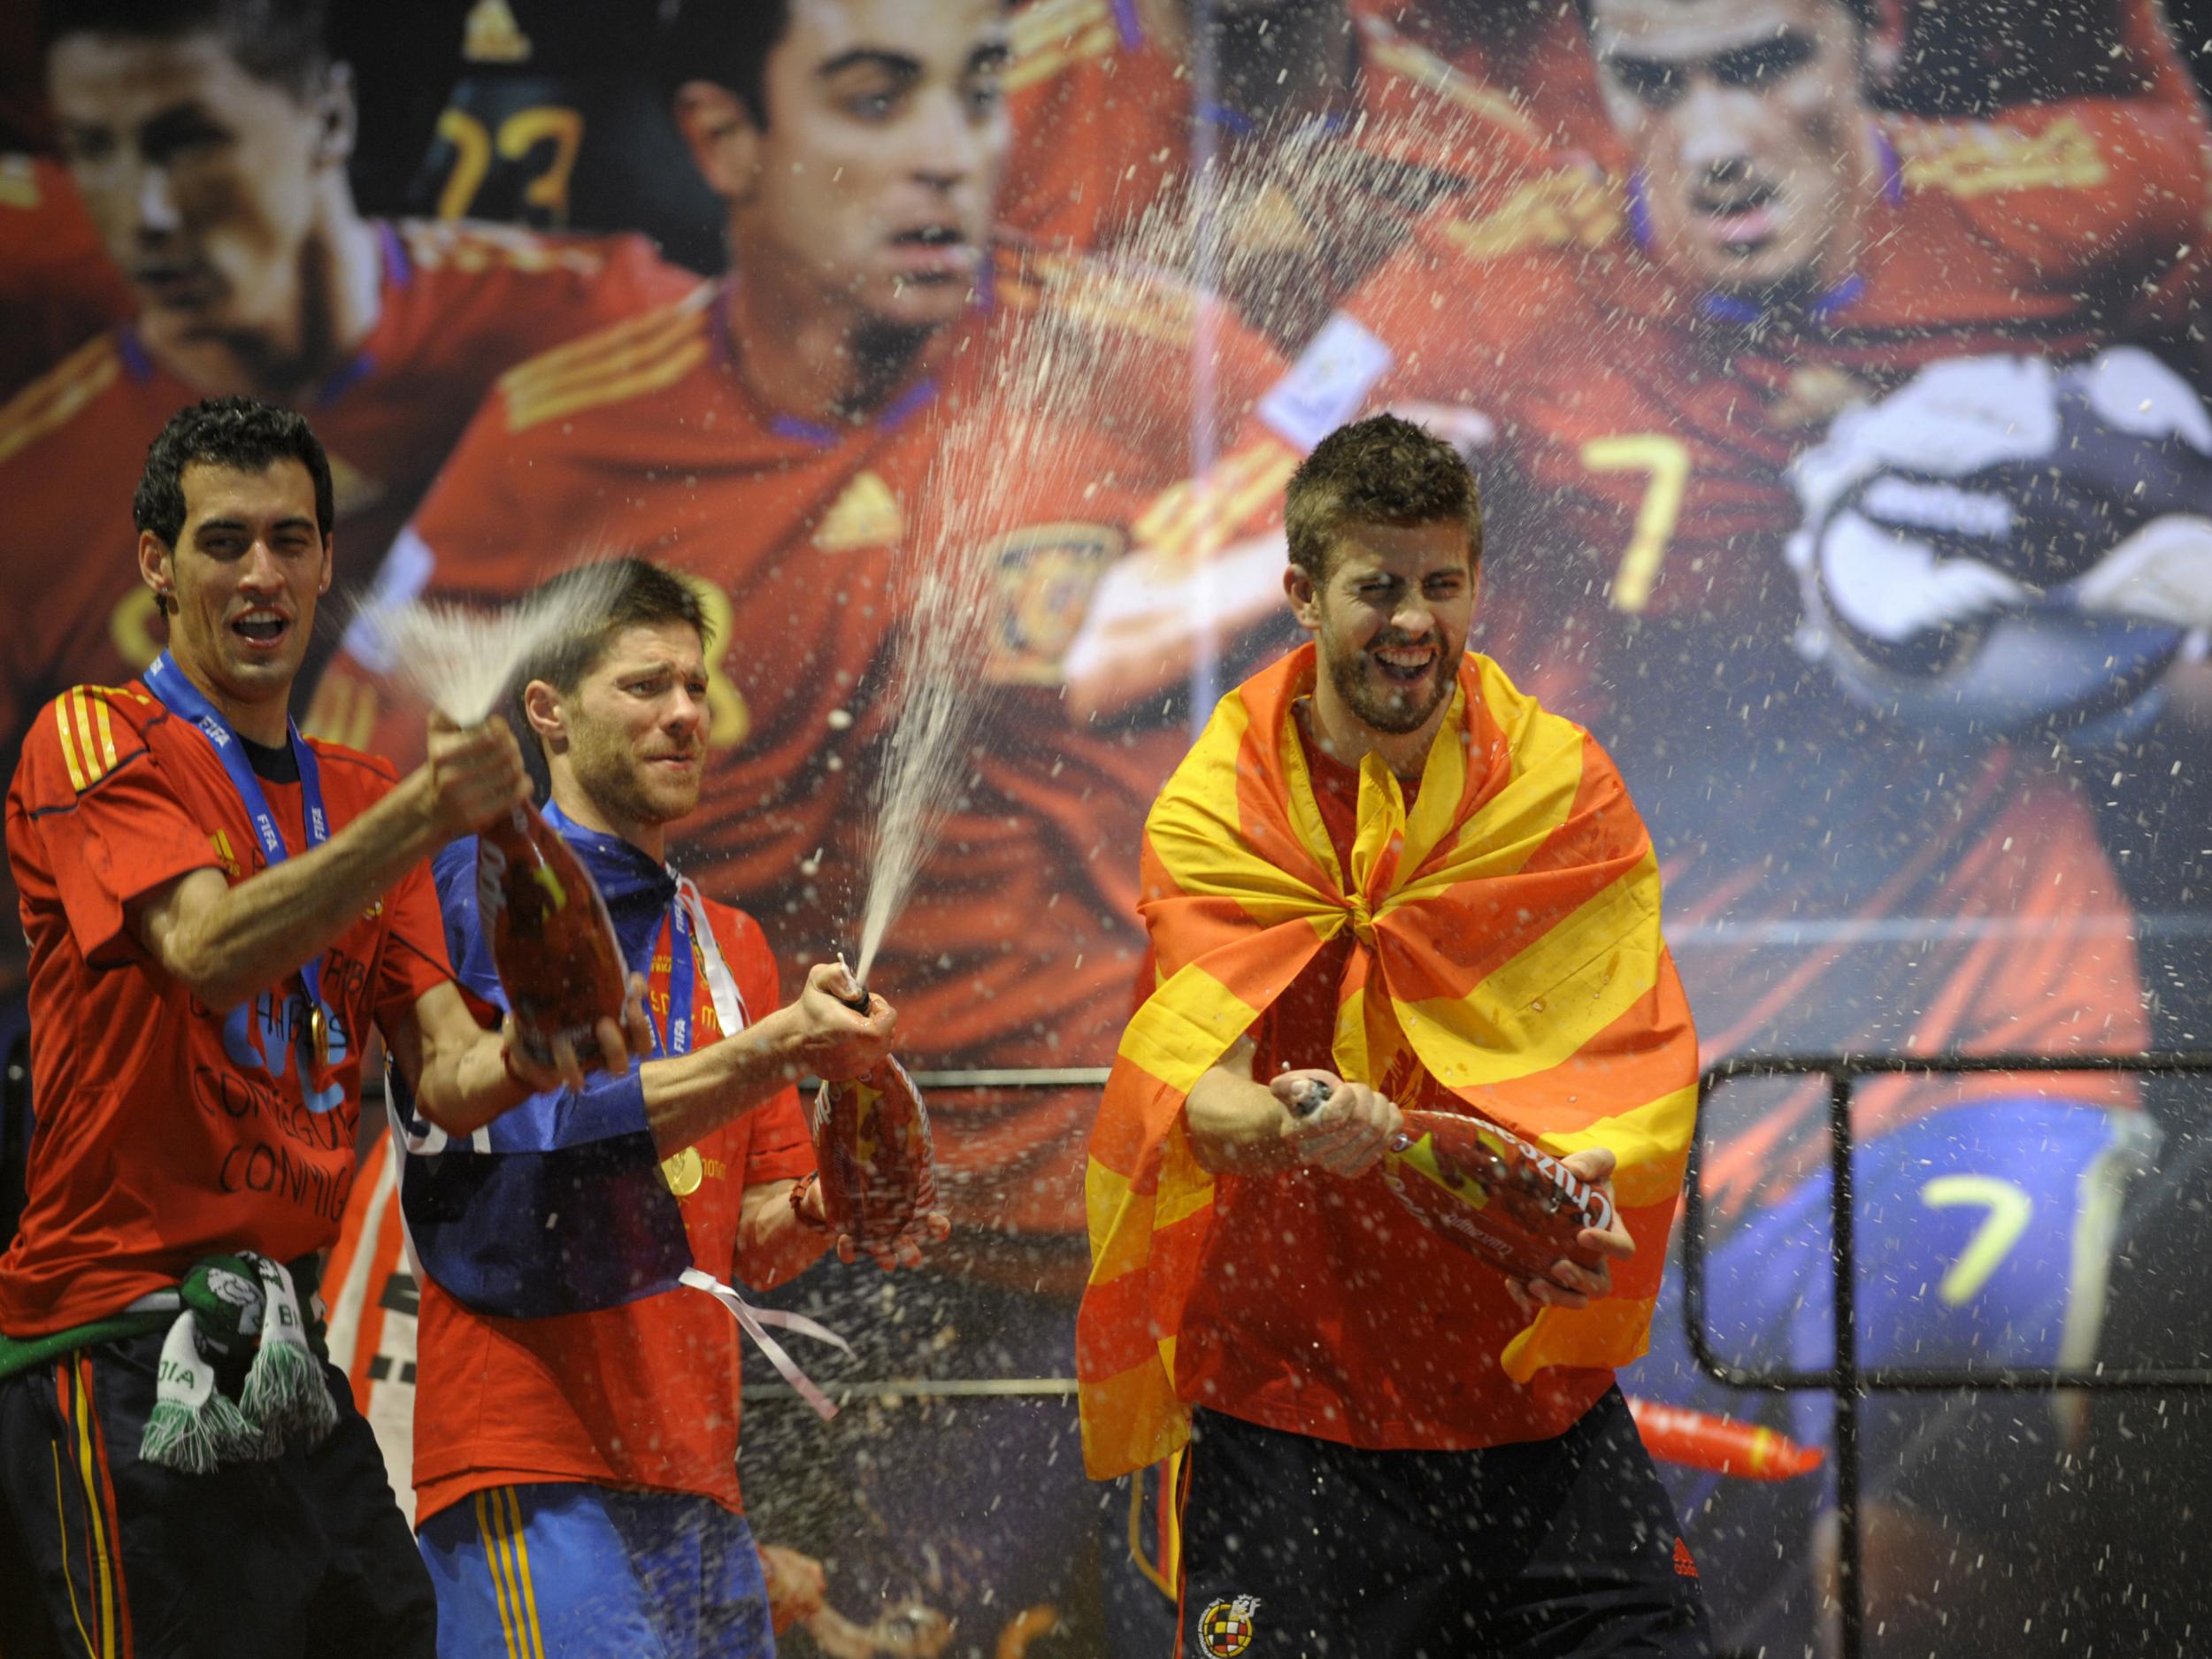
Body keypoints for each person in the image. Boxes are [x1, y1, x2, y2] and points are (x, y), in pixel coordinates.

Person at [1076, 0, 2206, 1647]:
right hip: (1599, 1124)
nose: (1717, 137)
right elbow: (1123, 631)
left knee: (1918, 1580)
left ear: (1873, 39)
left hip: (1977, 1044)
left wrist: (2140, 565)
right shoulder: (1487, 278)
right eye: (1655, 84)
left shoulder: (2082, 195)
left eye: (1763, 66)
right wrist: (1394, 532)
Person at [0, 396, 644, 1659]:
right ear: (155, 563)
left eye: (290, 541)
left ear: (327, 562)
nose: (261, 573)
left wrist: (536, 1053)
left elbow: (447, 1070)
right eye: (222, 541)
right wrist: (422, 814)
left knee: (394, 1626)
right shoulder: (92, 733)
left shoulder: (357, 796)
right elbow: (203, 948)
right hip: (117, 1334)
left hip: (283, 1351)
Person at [1079, 412, 1710, 1656]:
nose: (1412, 619)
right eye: (1377, 587)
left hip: (1525, 1391)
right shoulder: (1225, 802)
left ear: (1476, 585)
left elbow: (1624, 1049)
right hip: (1290, 1399)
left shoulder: (1560, 783)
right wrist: (1305, 1123)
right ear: (1304, 595)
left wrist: (1583, 1177)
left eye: (1440, 583)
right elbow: (1200, 1097)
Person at [0, 0, 695, 995]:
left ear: (329, 118)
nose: (143, 212)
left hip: (436, 1040)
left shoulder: (600, 324)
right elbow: (170, 950)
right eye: (95, 150)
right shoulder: (30, 498)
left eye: (188, 141)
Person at [394, 557, 944, 1659]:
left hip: (698, 1475)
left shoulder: (731, 942)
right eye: (644, 687)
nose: (685, 713)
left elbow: (752, 1239)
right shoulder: (481, 890)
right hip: (531, 1460)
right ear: (545, 710)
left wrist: (847, 1193)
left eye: (695, 686)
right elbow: (553, 1129)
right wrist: (778, 1046)